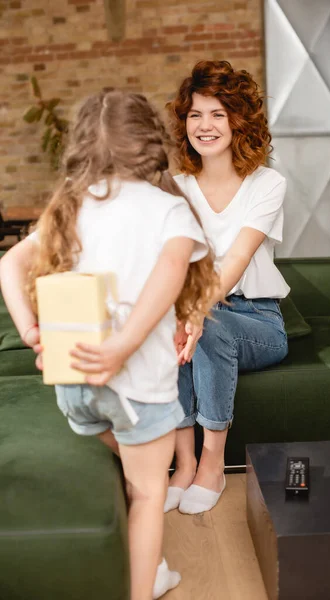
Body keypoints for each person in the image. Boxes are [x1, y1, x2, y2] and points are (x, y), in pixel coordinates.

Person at [0, 89, 219, 600]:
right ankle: (143, 589)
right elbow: (168, 277)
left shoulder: (70, 205)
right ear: (149, 142)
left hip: (75, 382)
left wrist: (33, 331)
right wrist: (122, 347)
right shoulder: (167, 210)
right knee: (147, 492)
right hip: (137, 386)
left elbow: (8, 264)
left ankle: (151, 568)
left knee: (126, 468)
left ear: (82, 146)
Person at [163, 60, 290, 515]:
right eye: (195, 114)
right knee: (168, 325)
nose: (205, 125)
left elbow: (236, 260)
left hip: (257, 320)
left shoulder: (267, 183)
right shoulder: (174, 187)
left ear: (240, 120)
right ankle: (182, 463)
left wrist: (196, 313)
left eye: (218, 114)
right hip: (195, 310)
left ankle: (211, 465)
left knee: (206, 323)